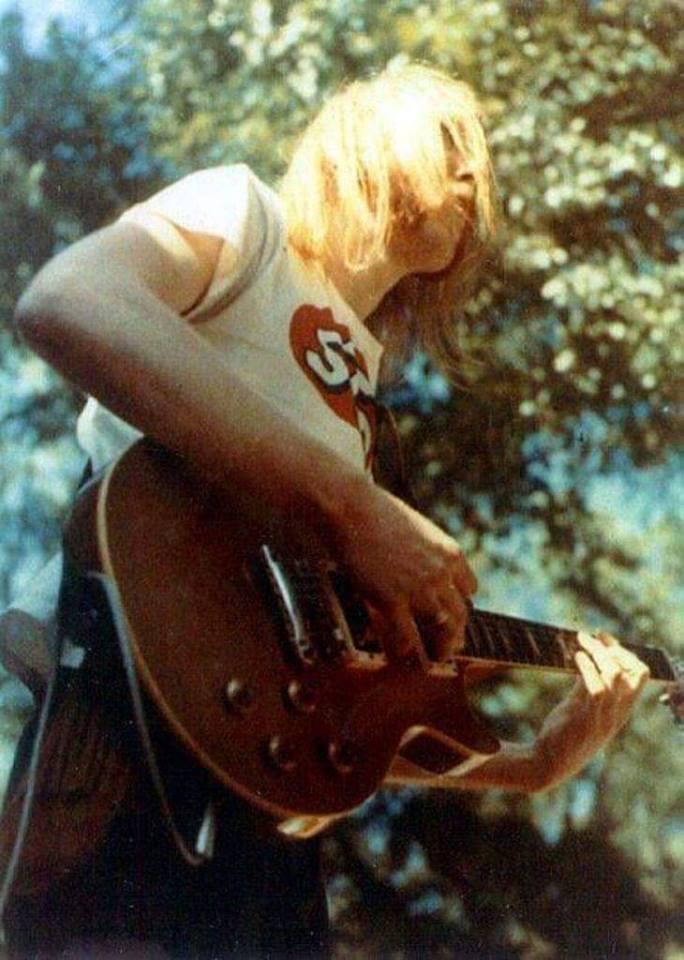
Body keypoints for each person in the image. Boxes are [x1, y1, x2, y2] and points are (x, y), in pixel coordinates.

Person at [1, 63, 649, 958]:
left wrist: (534, 765)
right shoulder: (246, 217)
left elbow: (327, 714)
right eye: (451, 143)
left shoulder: (368, 405)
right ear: (362, 134)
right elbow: (69, 300)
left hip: (260, 840)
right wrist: (352, 508)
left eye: (479, 163)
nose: (473, 179)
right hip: (119, 741)